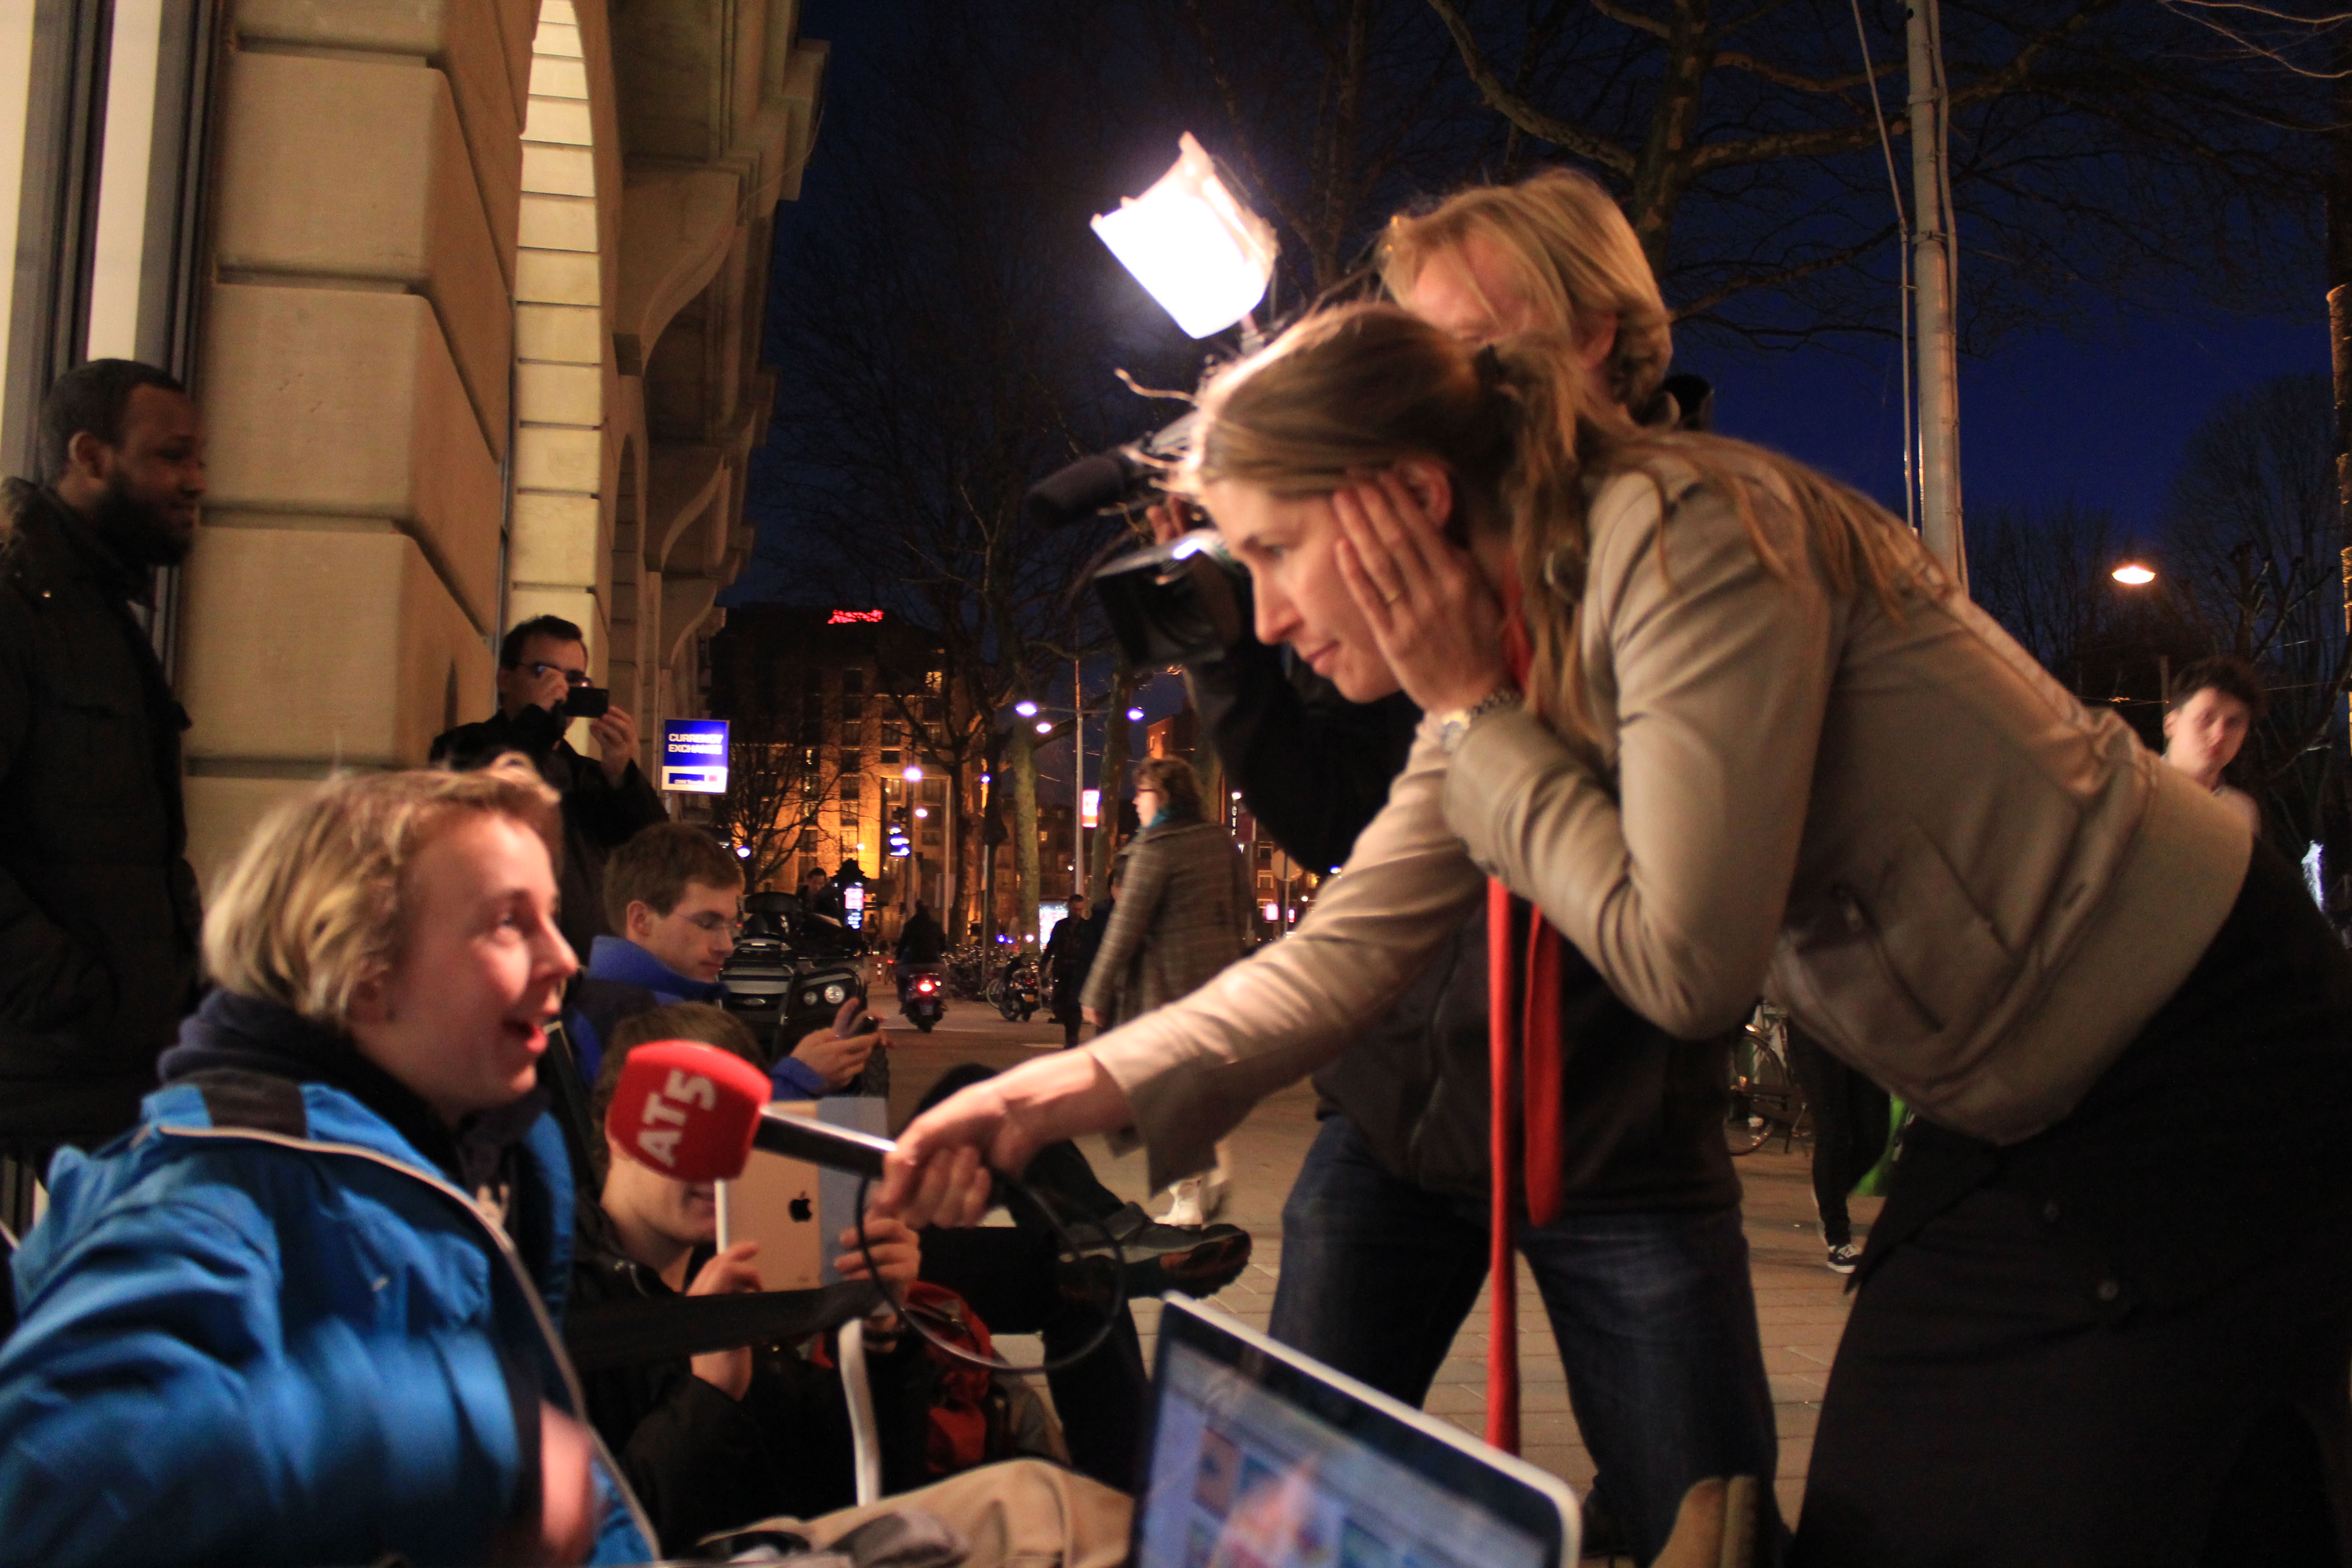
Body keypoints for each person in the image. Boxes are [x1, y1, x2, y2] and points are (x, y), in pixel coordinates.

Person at [888, 242, 2352, 1561]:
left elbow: (1687, 966)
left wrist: (1473, 712)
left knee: (1926, 1511)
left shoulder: (1675, 534)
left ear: (1407, 505)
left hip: (2199, 1053)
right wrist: (1050, 1093)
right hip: (2024, 1098)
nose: (1259, 616)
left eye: (1272, 552)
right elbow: (1340, 955)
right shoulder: (1507, 652)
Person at [1160, 173, 1777, 1560]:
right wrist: (1233, 643)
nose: (1431, 390)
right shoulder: (1429, 533)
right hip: (1396, 1121)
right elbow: (1344, 816)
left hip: (1617, 1141)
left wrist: (1484, 707)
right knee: (1273, 1517)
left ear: (1594, 334)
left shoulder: (1692, 543)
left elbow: (1690, 913)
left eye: (1466, 352)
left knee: (1708, 1522)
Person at [0, 760, 655, 1565]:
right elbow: (53, 1487)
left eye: (551, 916)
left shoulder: (509, 1156)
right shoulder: (212, 1191)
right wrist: (456, 1429)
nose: (565, 958)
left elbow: (547, 1474)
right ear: (363, 973)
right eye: (508, 923)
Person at [576, 1002, 933, 1553]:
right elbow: (593, 1540)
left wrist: (882, 1341)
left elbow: (861, 1484)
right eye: (696, 1129)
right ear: (620, 1128)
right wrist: (708, 1395)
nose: (722, 1164)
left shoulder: (749, 1272)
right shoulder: (559, 1300)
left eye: (745, 1137)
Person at [0, 359, 206, 1167]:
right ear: (90, 456)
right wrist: (70, 994)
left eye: (198, 458)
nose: (195, 481)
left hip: (116, 1061)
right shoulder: (20, 602)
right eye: (171, 456)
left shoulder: (95, 609)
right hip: (50, 1067)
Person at [568, 822, 872, 1099]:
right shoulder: (633, 1017)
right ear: (641, 919)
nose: (726, 946)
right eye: (708, 923)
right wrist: (800, 1079)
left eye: (729, 925)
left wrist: (828, 1067)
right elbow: (702, 1133)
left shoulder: (618, 1002)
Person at [432, 613, 666, 960]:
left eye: (573, 678)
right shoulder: (467, 746)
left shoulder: (587, 776)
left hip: (586, 969)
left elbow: (656, 848)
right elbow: (492, 794)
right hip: (504, 958)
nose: (560, 689)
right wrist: (537, 719)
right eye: (543, 672)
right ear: (506, 678)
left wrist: (621, 775)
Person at [1080, 757, 1252, 1224]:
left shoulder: (1155, 850)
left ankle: (1187, 1199)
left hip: (1164, 993)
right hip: (1219, 989)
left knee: (1161, 1098)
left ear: (1165, 796)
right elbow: (1244, 907)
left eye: (1143, 792)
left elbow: (1125, 927)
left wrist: (1096, 992)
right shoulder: (1220, 841)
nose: (1136, 801)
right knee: (1199, 1087)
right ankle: (1215, 1167)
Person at [1781, 1019, 1890, 1274]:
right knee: (1833, 1132)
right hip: (1816, 1027)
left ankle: (1829, 1192)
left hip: (1866, 1032)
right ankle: (1838, 1241)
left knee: (1874, 1137)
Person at [2162, 653, 2265, 838]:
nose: (2219, 735)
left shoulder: (2241, 812)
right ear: (2172, 725)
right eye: (2206, 719)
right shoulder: (2135, 794)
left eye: (2233, 723)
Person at [1043, 893, 1102, 1049]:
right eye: (1075, 909)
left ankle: (1072, 1037)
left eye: (1080, 910)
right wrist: (1044, 964)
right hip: (1063, 970)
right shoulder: (1061, 926)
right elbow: (1052, 946)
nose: (1077, 913)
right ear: (1069, 908)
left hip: (1079, 972)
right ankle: (1070, 1033)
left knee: (1075, 1005)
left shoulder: (1087, 928)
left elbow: (1093, 950)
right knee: (1060, 1003)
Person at [897, 900, 947, 966]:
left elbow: (903, 943)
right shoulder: (935, 925)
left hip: (913, 960)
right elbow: (943, 942)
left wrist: (898, 955)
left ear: (917, 909)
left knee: (901, 969)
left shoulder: (910, 925)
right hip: (933, 960)